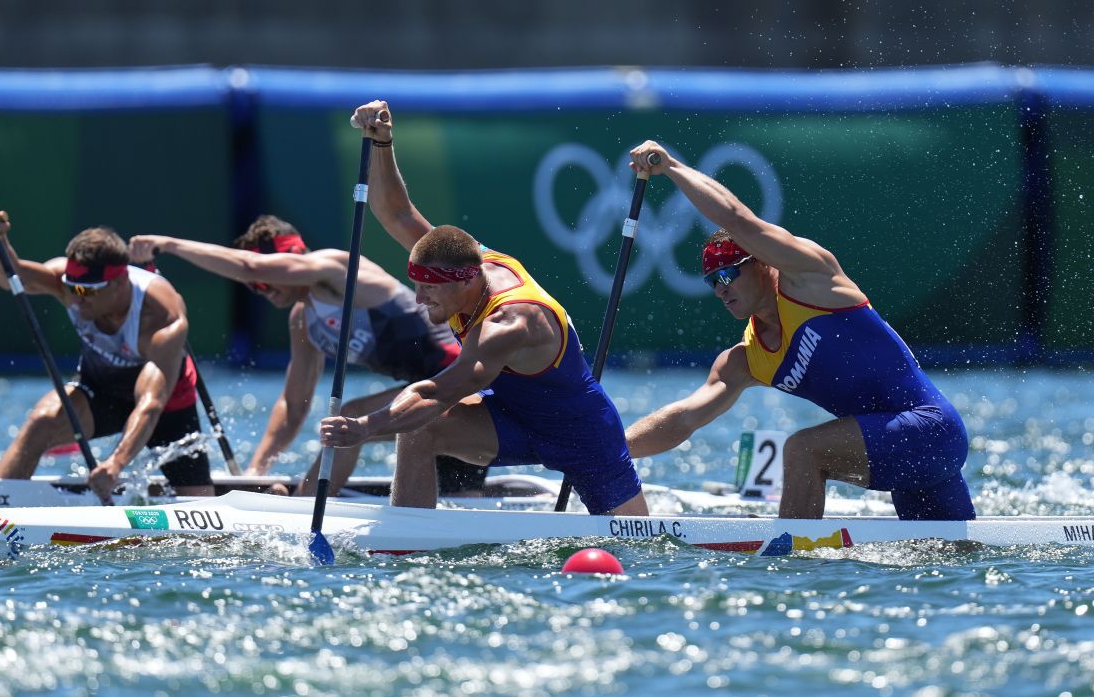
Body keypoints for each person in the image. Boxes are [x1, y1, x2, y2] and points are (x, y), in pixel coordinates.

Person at [316, 100, 649, 516]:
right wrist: (382, 142)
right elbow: (396, 213)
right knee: (419, 430)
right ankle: (408, 542)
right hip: (511, 419)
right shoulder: (463, 258)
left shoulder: (511, 322)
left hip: (582, 434)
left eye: (428, 290)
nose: (419, 299)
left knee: (637, 545)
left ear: (467, 281)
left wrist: (365, 427)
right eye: (416, 285)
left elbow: (442, 389)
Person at [622, 142, 976, 521]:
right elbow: (684, 418)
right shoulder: (748, 358)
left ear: (762, 263)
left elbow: (740, 221)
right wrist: (608, 448)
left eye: (727, 274)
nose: (721, 289)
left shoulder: (812, 282)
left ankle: (789, 565)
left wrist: (673, 166)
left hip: (931, 428)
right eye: (712, 282)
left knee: (803, 449)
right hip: (899, 455)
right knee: (947, 561)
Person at [128, 216, 489, 496]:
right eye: (256, 289)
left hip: (463, 387)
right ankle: (307, 500)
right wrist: (257, 472)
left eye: (269, 279)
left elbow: (251, 266)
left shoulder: (335, 268)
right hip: (426, 400)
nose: (262, 289)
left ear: (292, 260)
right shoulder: (303, 319)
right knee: (460, 495)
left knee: (352, 415)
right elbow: (293, 404)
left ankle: (306, 505)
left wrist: (169, 244)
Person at [0, 205, 215, 500]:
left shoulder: (161, 316)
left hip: (165, 405)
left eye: (88, 291)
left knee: (199, 505)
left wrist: (115, 463)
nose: (77, 299)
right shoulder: (69, 286)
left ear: (120, 282)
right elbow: (12, 276)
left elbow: (150, 403)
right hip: (102, 391)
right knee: (42, 420)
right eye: (72, 288)